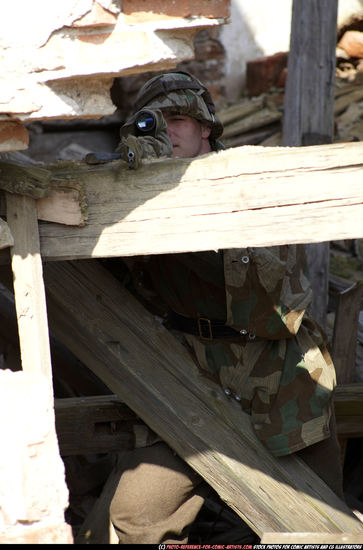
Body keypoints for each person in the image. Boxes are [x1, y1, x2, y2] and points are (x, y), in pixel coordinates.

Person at [109, 71, 344, 544]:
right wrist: (123, 197)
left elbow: (277, 308)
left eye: (178, 119)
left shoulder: (251, 184)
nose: (166, 130)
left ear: (206, 129)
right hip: (190, 373)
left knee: (320, 523)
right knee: (136, 514)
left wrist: (167, 219)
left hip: (282, 379)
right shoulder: (136, 191)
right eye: (152, 121)